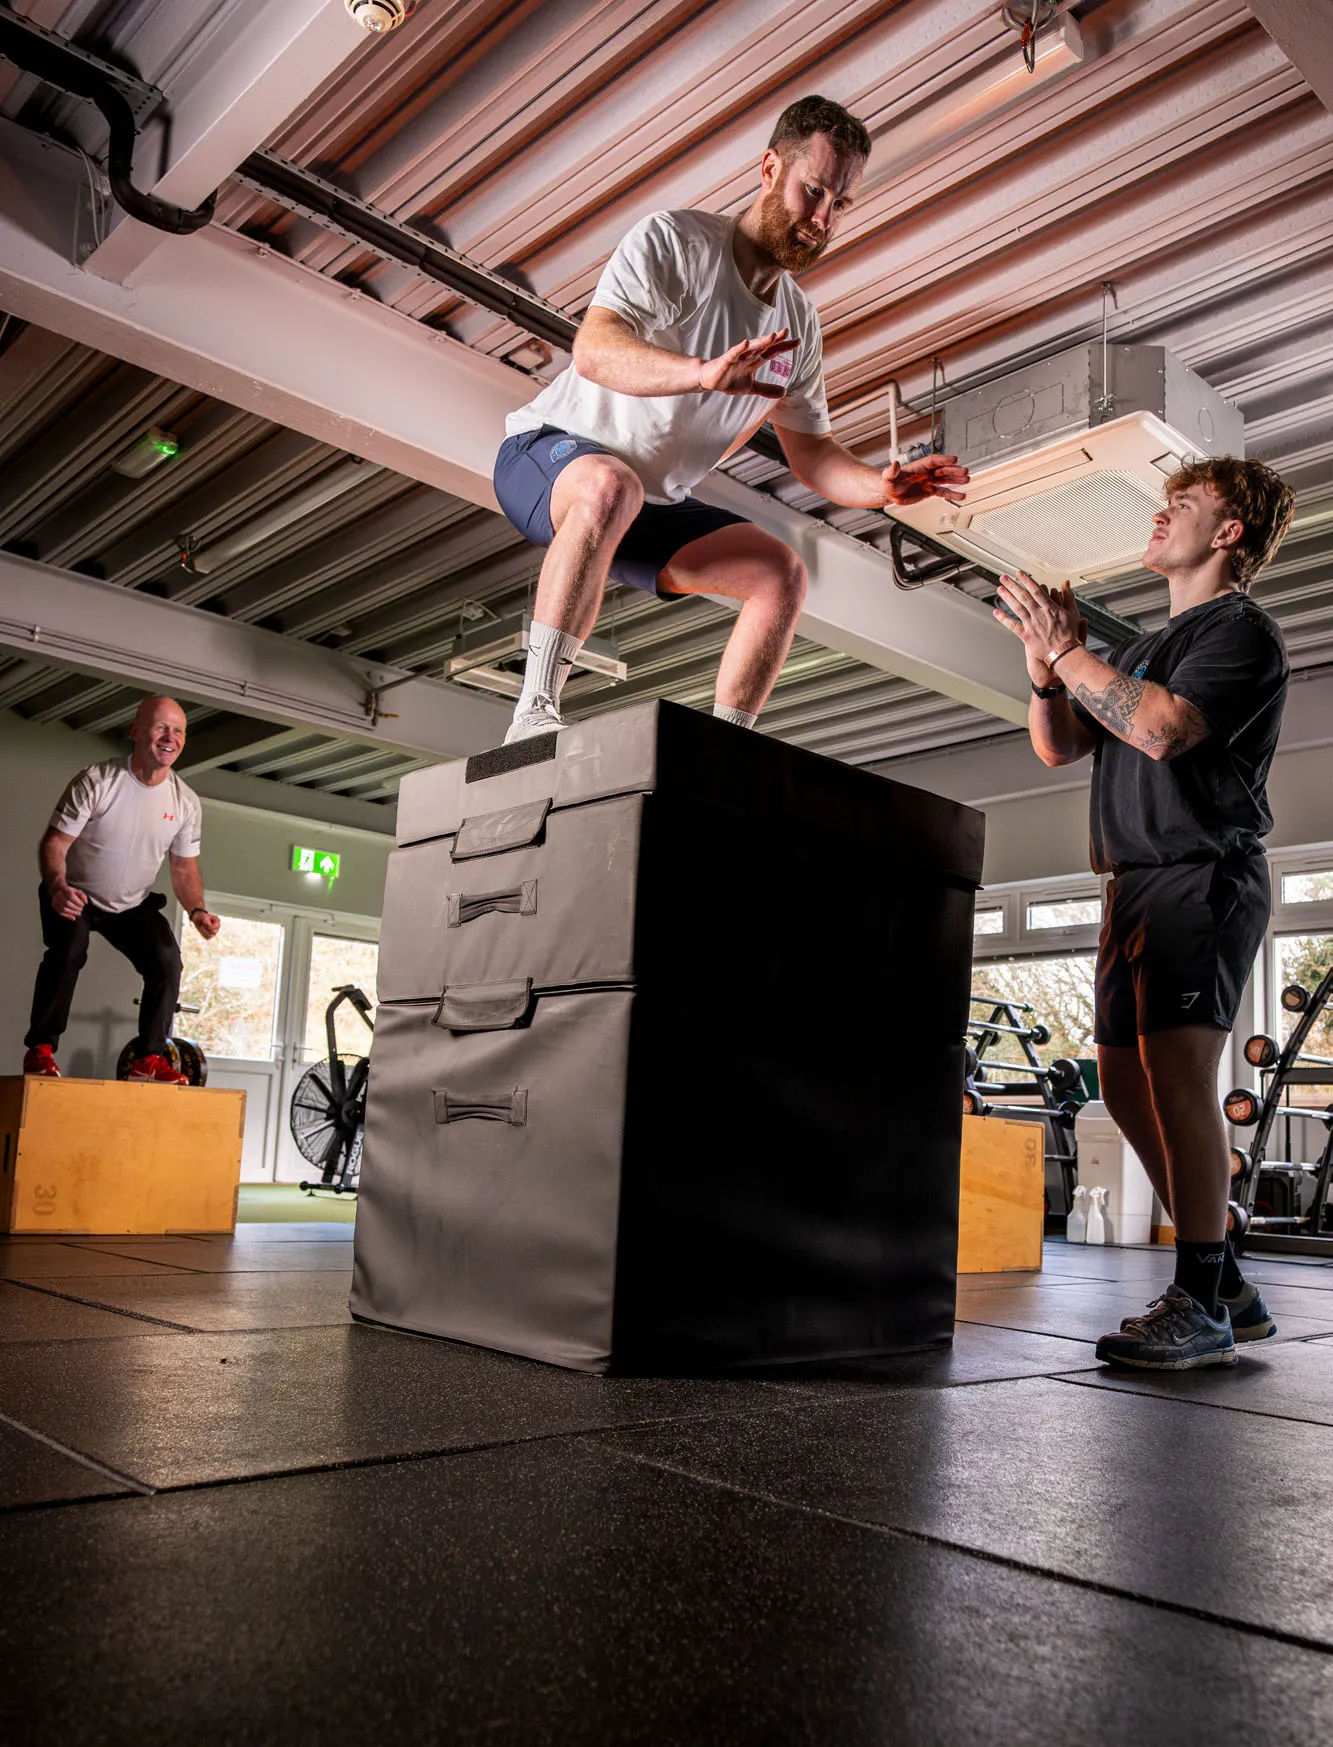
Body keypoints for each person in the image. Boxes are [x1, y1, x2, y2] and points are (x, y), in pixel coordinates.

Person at [492, 94, 967, 744]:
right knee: (610, 485)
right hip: (546, 455)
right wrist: (701, 373)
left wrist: (880, 488)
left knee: (781, 574)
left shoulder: (798, 325)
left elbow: (813, 454)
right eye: (813, 191)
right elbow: (595, 351)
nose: (821, 220)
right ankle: (533, 714)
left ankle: (728, 751)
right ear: (770, 169)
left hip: (646, 504)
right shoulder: (675, 242)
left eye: (840, 205)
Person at [995, 455, 1296, 1369]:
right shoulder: (1131, 653)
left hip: (1199, 874)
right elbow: (1057, 745)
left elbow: (1161, 730)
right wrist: (1042, 667)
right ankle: (1225, 1285)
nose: (1160, 516)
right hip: (1127, 883)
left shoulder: (1239, 632)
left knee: (1176, 1078)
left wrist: (1068, 654)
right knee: (1123, 1087)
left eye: (1182, 504)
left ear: (1228, 533)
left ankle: (1198, 1299)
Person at [23, 694, 221, 1083]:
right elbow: (55, 844)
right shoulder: (97, 781)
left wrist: (197, 910)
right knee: (69, 951)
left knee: (166, 960)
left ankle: (149, 1059)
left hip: (132, 904)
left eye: (179, 731)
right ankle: (41, 1049)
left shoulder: (185, 802)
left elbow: (183, 868)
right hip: (74, 893)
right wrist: (58, 886)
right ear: (135, 731)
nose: (170, 738)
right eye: (161, 727)